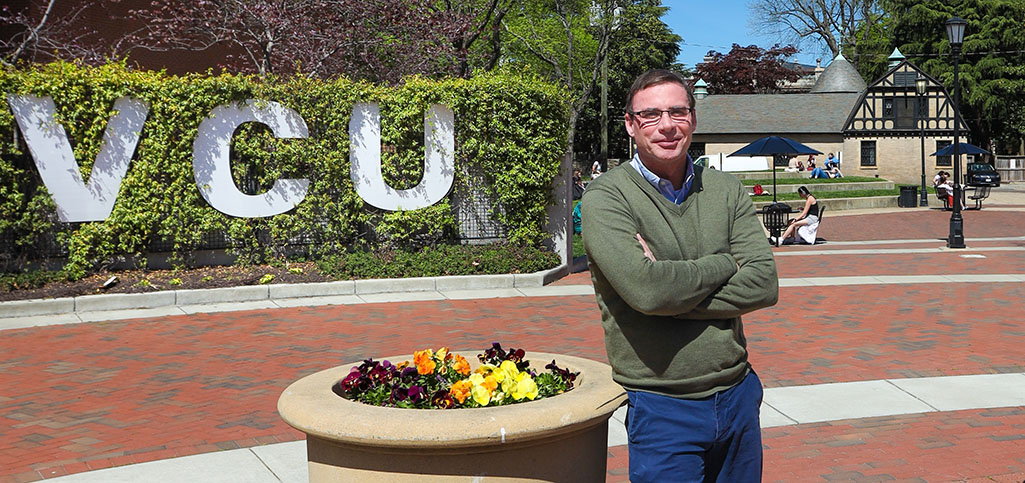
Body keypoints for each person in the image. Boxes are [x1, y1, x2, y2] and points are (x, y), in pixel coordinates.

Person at [580, 69, 778, 481]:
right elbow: (648, 291)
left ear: (693, 118)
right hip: (662, 404)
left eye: (677, 112)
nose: (667, 125)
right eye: (650, 115)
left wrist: (666, 294)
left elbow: (763, 283)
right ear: (631, 126)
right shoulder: (607, 196)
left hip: (738, 392)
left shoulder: (726, 189)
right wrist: (725, 263)